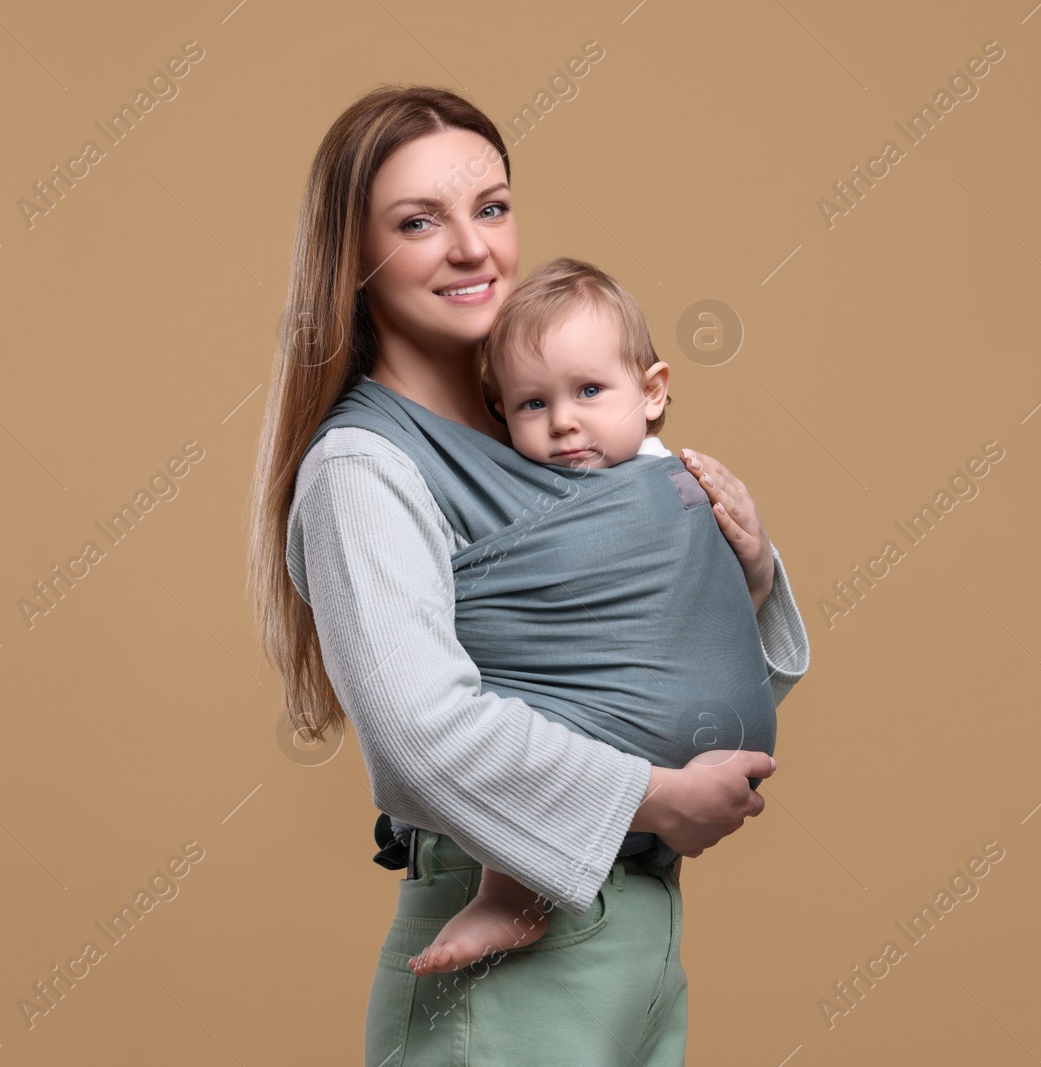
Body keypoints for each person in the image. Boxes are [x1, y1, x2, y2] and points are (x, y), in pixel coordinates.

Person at [248, 85, 810, 1066]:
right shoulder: (364, 468)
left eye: (491, 207)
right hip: (512, 953)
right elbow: (422, 736)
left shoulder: (545, 415)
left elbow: (641, 655)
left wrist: (747, 571)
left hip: (635, 933)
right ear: (356, 259)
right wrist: (652, 793)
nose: (473, 248)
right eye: (419, 222)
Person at [399, 254, 803, 979]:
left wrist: (756, 564)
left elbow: (693, 623)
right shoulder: (522, 499)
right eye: (531, 404)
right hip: (602, 746)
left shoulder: (677, 480)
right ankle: (510, 890)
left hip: (699, 770)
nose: (563, 424)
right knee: (522, 720)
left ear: (651, 392)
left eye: (589, 390)